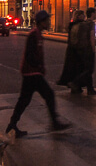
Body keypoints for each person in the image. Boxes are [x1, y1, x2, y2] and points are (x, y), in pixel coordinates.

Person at [5, 11, 71, 140]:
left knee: (24, 100)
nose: (49, 22)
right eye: (47, 20)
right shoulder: (34, 35)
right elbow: (30, 54)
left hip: (31, 72)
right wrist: (39, 66)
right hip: (32, 72)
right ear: (41, 22)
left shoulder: (38, 34)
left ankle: (11, 126)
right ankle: (55, 123)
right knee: (48, 95)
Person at [70, 7, 96, 95]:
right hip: (88, 49)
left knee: (85, 68)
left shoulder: (83, 23)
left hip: (81, 49)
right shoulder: (91, 24)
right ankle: (76, 83)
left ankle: (89, 88)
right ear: (92, 14)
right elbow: (91, 37)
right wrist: (93, 49)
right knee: (89, 69)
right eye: (95, 13)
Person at [57, 10, 85, 87]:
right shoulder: (79, 25)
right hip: (76, 50)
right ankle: (75, 84)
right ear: (78, 16)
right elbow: (77, 38)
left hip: (72, 49)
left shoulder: (72, 25)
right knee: (78, 68)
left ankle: (76, 85)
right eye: (82, 15)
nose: (84, 16)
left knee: (73, 68)